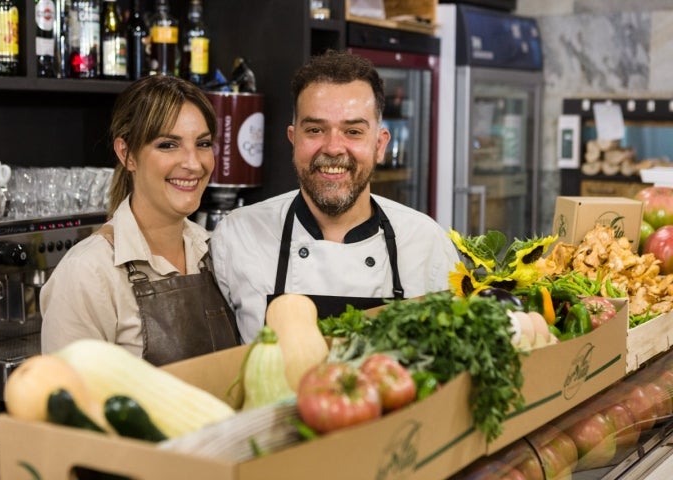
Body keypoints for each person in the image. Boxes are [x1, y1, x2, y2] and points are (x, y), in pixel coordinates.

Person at [210, 50, 459, 343]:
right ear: (293, 139)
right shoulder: (237, 236)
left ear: (380, 145)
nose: (333, 147)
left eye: (353, 131)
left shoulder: (426, 242)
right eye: (315, 129)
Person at [41, 75, 239, 365]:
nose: (194, 163)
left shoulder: (216, 251)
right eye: (168, 145)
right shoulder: (88, 273)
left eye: (203, 143)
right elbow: (68, 403)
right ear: (127, 154)